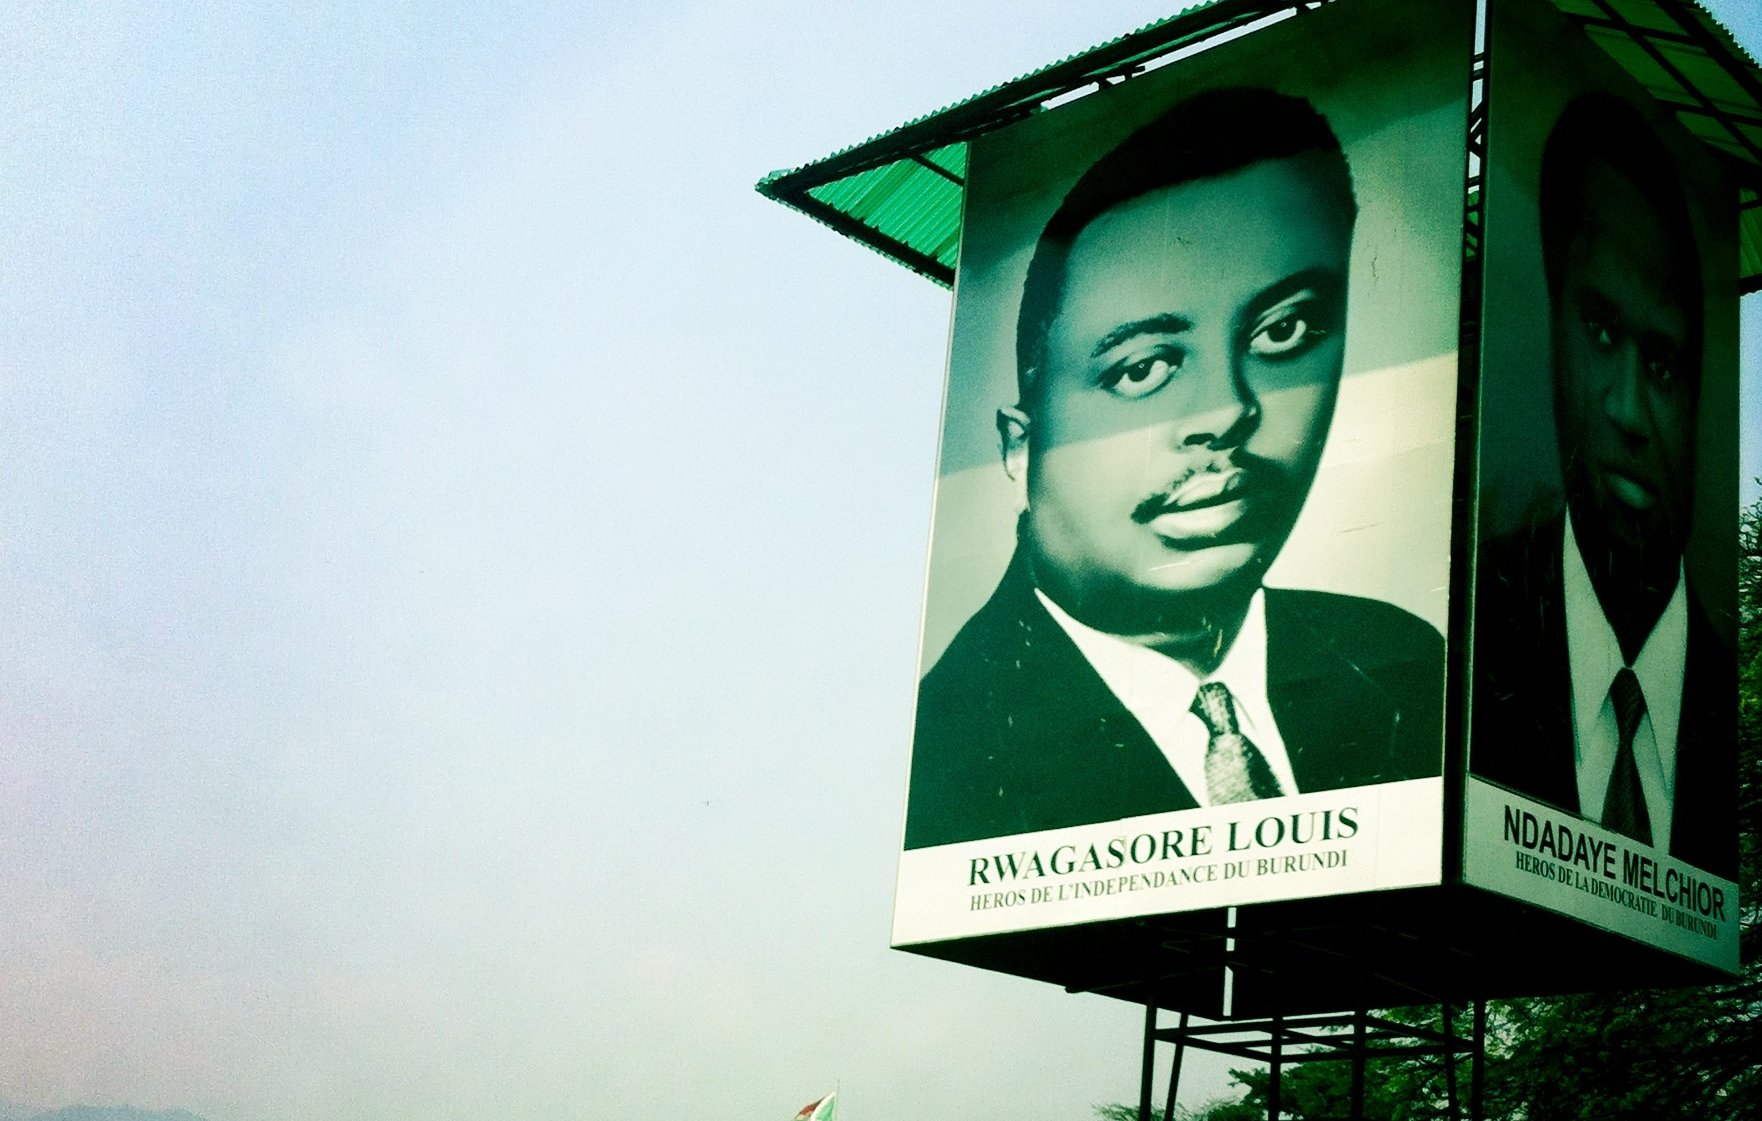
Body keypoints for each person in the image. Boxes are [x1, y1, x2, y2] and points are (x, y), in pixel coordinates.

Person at [904, 87, 1445, 851]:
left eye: (1284, 330)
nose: (1228, 410)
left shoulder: (1406, 663)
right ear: (1021, 445)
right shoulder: (954, 761)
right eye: (1142, 369)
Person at [1471, 93, 1736, 879]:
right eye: (1600, 330)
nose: (1629, 411)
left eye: (1661, 362)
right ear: (1554, 328)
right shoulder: (1468, 643)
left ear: (1698, 390)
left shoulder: (1734, 713)